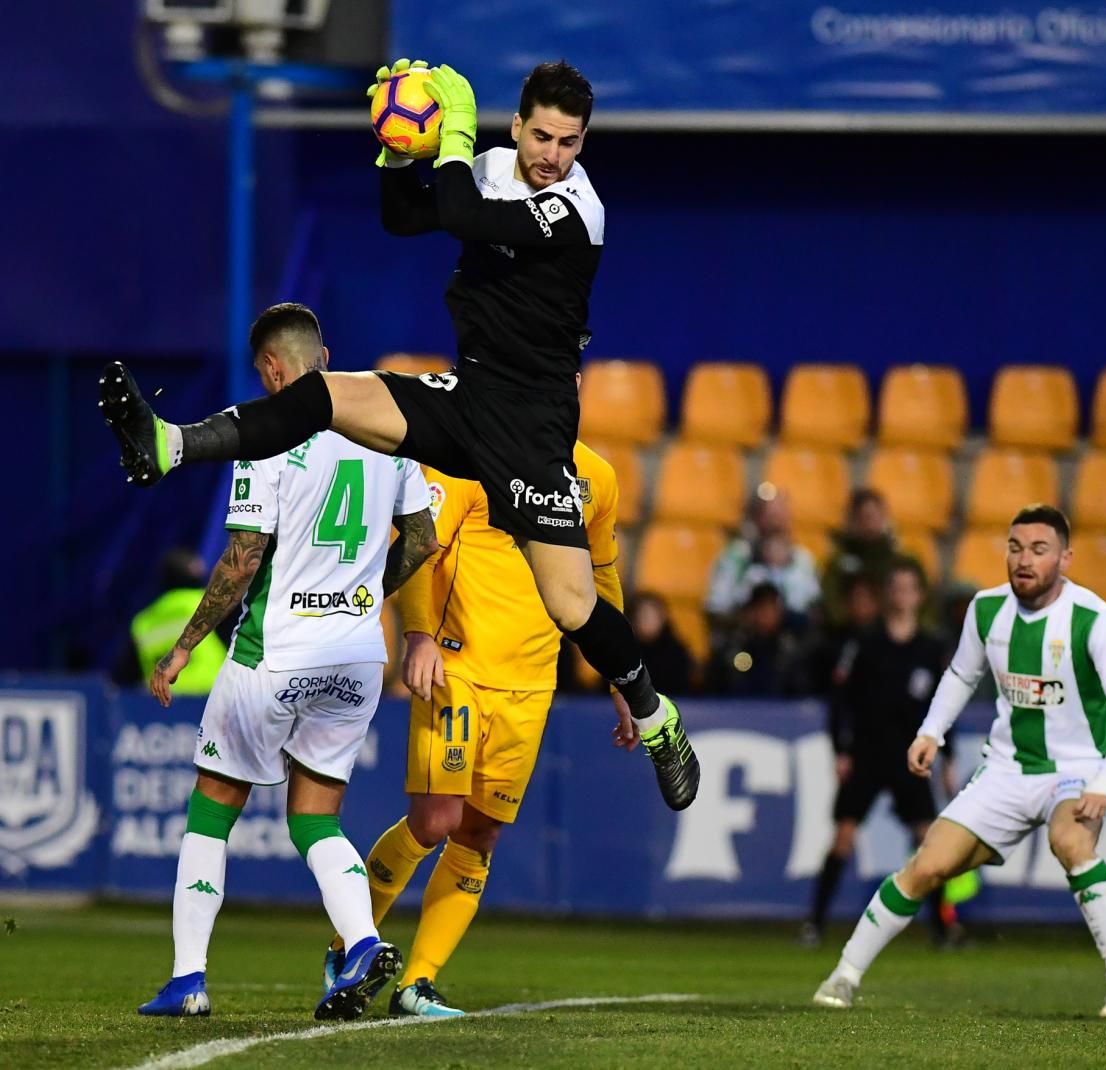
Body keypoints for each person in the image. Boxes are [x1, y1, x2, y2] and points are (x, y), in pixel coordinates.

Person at [98, 58, 699, 812]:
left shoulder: (577, 209)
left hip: (531, 424)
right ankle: (170, 445)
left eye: (569, 142)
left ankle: (655, 716)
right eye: (542, 136)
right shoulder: (491, 167)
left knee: (573, 606)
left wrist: (448, 128)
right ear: (517, 127)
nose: (553, 155)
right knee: (323, 395)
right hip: (468, 395)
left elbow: (465, 217)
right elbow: (405, 215)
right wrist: (393, 149)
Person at [136, 304, 438, 1021]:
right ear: (324, 357)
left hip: (275, 651)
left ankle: (187, 981)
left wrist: (184, 646)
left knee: (211, 813)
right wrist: (366, 592)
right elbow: (423, 539)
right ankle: (362, 941)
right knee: (315, 819)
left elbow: (242, 561)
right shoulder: (389, 428)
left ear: (273, 370)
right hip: (360, 655)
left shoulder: (267, 437)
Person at [323, 439, 634, 1017]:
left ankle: (416, 984)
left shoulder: (597, 478)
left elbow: (600, 578)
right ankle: (348, 947)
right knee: (436, 819)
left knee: (479, 835)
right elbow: (419, 547)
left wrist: (623, 682)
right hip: (456, 665)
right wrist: (417, 636)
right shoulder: (469, 453)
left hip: (533, 683)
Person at [813, 505, 1106, 1019]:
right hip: (1007, 770)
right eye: (1015, 547)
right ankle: (843, 976)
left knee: (1070, 842)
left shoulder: (1096, 620)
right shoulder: (986, 609)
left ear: (1064, 557)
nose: (1024, 560)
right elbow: (959, 675)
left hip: (1077, 768)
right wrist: (931, 731)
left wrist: (1105, 781)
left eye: (1038, 550)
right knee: (927, 866)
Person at [802, 558, 955, 945]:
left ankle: (943, 926)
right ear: (888, 594)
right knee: (843, 836)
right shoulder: (865, 643)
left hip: (911, 756)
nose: (902, 596)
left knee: (928, 840)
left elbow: (944, 705)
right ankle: (815, 923)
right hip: (868, 752)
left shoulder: (930, 648)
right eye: (896, 588)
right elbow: (841, 702)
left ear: (919, 597)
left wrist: (947, 756)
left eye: (909, 588)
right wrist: (841, 749)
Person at [114, 547, 228, 693]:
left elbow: (125, 677)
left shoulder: (143, 621)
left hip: (164, 704)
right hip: (211, 697)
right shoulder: (209, 604)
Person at [706, 486, 821, 625]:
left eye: (781, 514)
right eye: (771, 515)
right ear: (757, 517)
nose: (777, 521)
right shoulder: (736, 556)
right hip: (746, 638)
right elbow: (716, 607)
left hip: (792, 639)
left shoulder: (803, 560)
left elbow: (814, 608)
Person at [706, 583, 812, 697]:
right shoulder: (734, 648)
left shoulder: (789, 650)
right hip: (738, 711)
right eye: (762, 608)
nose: (768, 614)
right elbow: (719, 689)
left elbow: (800, 691)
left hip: (781, 712)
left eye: (772, 608)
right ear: (752, 611)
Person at [821, 488, 899, 630]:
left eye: (875, 516)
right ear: (854, 520)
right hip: (846, 631)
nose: (870, 523)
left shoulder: (897, 561)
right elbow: (830, 601)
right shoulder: (838, 562)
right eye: (865, 517)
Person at [627, 591, 695, 696]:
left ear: (662, 618)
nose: (647, 622)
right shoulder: (622, 652)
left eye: (652, 617)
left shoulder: (677, 653)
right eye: (643, 616)